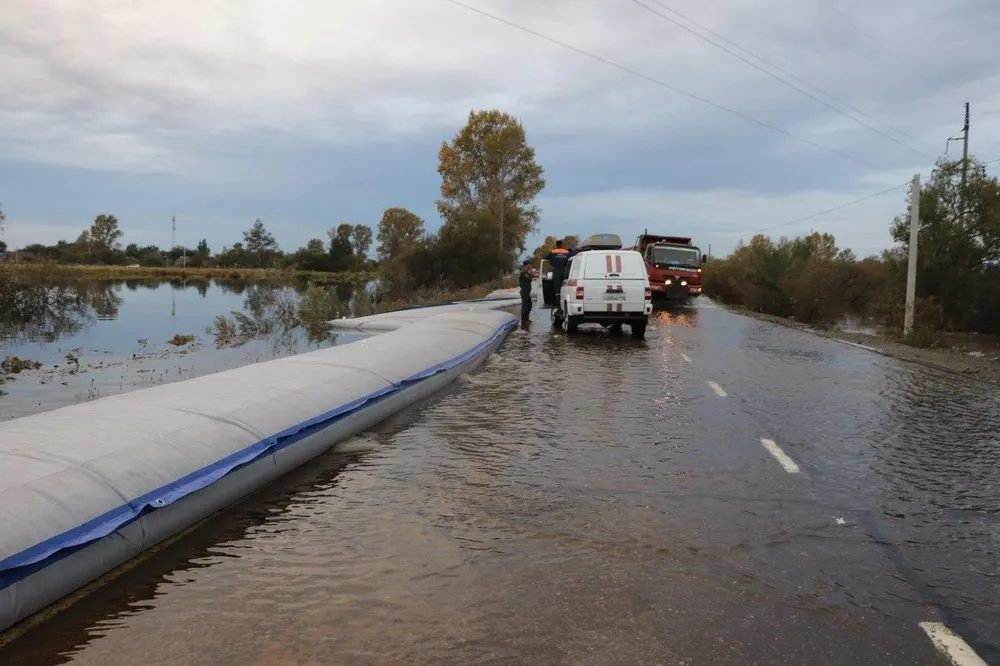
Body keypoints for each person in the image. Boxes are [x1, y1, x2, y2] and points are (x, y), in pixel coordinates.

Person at [544, 240, 573, 313]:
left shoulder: (552, 252)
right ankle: (565, 305)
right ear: (562, 245)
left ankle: (559, 307)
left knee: (557, 291)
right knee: (565, 290)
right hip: (566, 274)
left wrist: (552, 262)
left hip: (556, 273)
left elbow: (545, 259)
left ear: (556, 245)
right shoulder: (567, 252)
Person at [518, 258, 535, 324]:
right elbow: (529, 279)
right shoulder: (523, 273)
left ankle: (527, 319)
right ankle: (524, 320)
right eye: (529, 264)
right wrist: (530, 273)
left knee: (529, 305)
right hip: (524, 292)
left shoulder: (526, 273)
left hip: (527, 292)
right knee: (525, 306)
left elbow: (530, 278)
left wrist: (530, 273)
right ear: (527, 265)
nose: (530, 266)